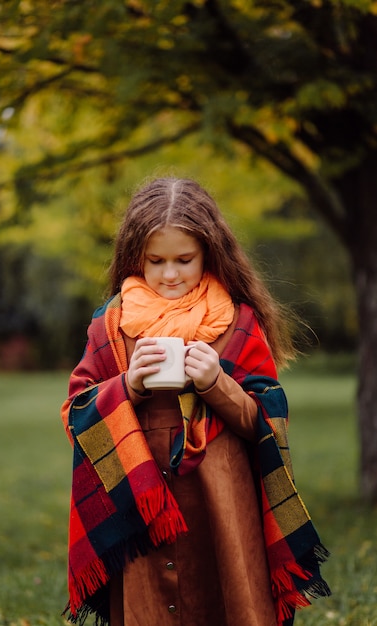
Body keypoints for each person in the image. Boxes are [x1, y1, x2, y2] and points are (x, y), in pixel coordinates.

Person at [61, 177, 330, 626]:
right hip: (141, 506)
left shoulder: (238, 321)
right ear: (136, 258)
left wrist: (215, 383)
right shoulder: (111, 324)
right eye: (156, 261)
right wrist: (129, 386)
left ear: (208, 253)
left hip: (221, 500)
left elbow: (266, 421)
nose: (170, 274)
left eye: (184, 260)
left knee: (226, 597)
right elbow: (76, 413)